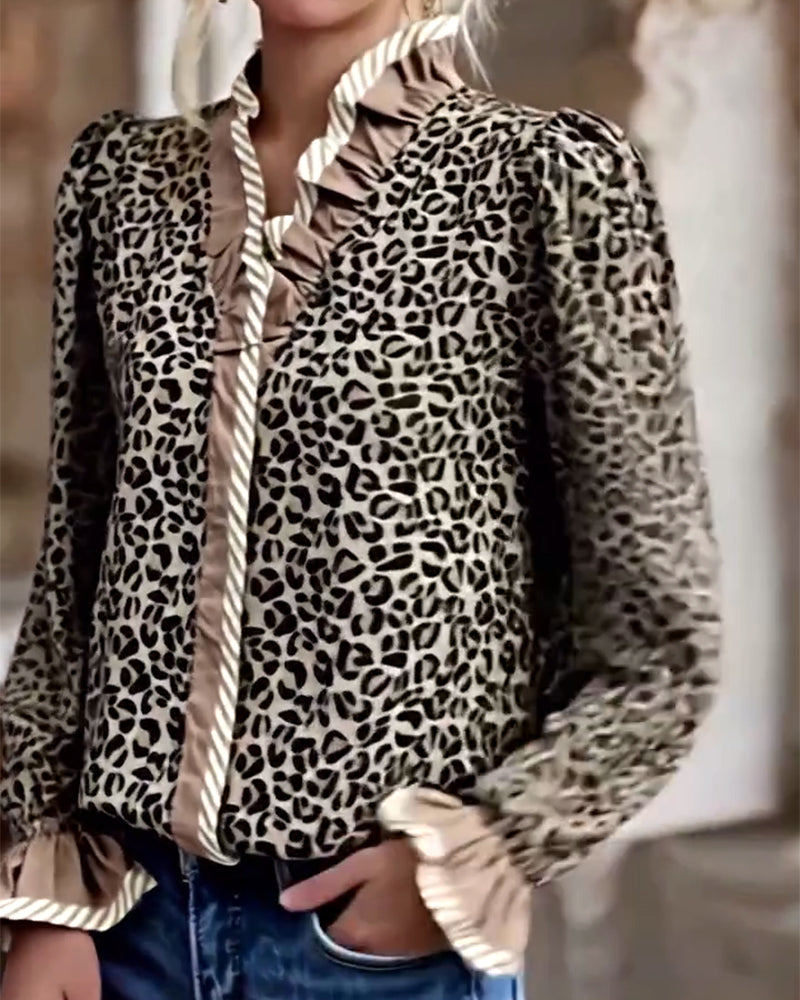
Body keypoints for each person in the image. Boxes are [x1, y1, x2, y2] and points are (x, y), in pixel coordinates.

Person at [0, 0, 722, 997]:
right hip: (126, 928)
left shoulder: (544, 180)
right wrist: (42, 893)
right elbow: (73, 577)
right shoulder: (123, 183)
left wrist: (489, 844)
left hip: (373, 953)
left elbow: (661, 643)